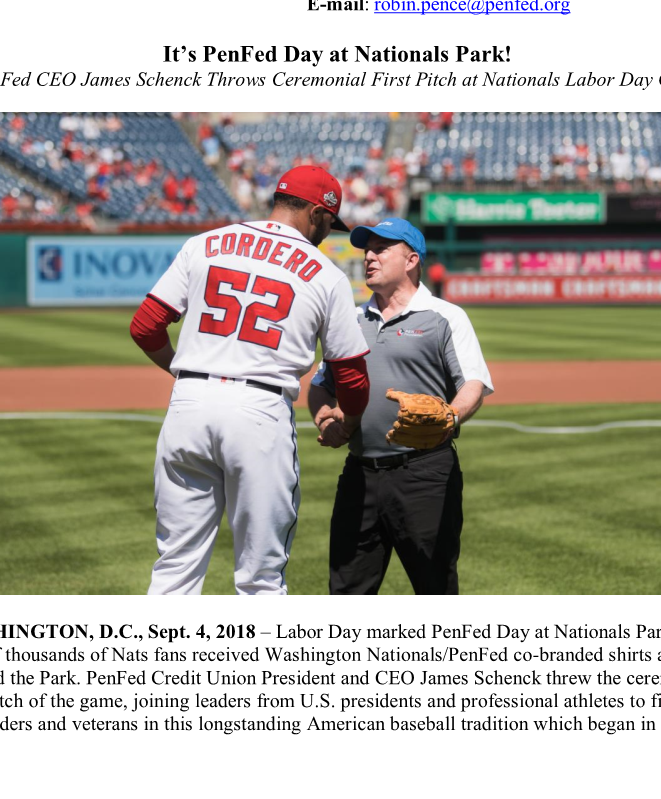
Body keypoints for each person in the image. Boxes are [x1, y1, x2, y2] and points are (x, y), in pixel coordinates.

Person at [129, 165, 371, 595]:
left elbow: (146, 326)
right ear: (316, 213)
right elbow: (351, 376)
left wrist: (187, 371)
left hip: (189, 404)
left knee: (175, 569)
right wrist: (349, 424)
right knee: (260, 578)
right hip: (258, 413)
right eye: (329, 223)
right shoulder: (326, 273)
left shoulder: (204, 244)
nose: (328, 232)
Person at [308, 218, 493, 595]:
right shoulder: (351, 320)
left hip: (424, 474)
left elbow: (472, 383)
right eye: (367, 250)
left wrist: (450, 417)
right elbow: (320, 385)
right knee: (346, 590)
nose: (369, 257)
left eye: (381, 249)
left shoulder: (445, 316)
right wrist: (325, 417)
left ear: (411, 260)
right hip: (359, 474)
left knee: (435, 588)